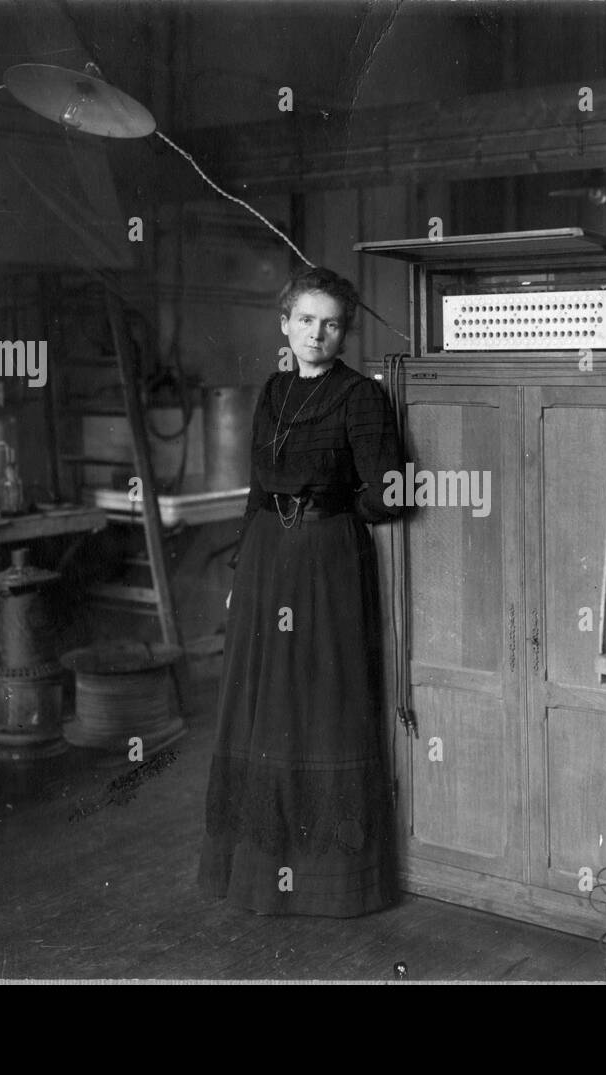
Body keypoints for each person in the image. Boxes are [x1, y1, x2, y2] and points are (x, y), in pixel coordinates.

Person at [199, 266, 404, 917]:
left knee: (318, 705)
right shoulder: (273, 390)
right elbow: (258, 489)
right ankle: (256, 870)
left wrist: (340, 508)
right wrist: (241, 575)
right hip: (265, 559)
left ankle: (324, 883)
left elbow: (387, 494)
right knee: (261, 709)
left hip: (325, 564)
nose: (318, 333)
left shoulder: (361, 397)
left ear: (344, 331)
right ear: (285, 322)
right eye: (306, 320)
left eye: (332, 323)